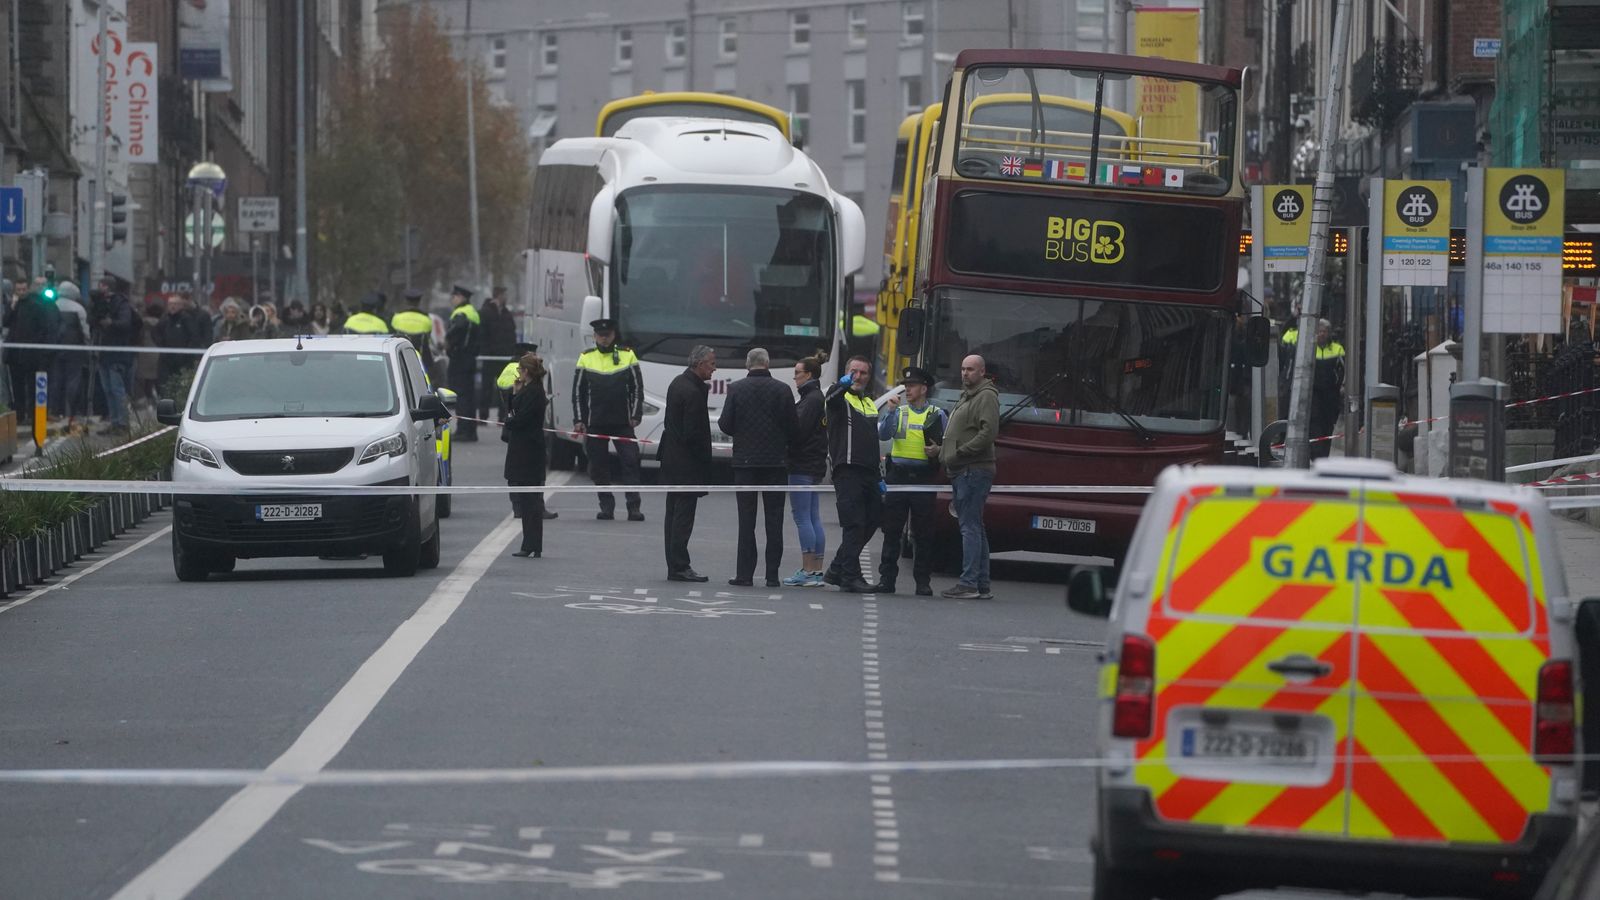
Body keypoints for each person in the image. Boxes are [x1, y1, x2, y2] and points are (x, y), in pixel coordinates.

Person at [718, 348, 798, 588]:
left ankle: (744, 574)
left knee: (747, 520)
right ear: (767, 363)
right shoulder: (783, 390)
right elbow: (793, 427)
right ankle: (772, 575)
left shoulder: (736, 389)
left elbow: (725, 424)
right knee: (774, 521)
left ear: (747, 364)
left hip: (745, 463)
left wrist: (743, 434)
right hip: (775, 463)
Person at [877, 366, 947, 596]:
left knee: (923, 533)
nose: (907, 389)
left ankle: (922, 581)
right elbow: (884, 435)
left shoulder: (937, 413)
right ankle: (887, 579)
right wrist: (889, 412)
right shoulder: (899, 411)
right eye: (906, 386)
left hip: (924, 479)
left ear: (924, 389)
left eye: (912, 386)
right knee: (892, 531)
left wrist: (938, 450)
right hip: (898, 476)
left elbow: (946, 445)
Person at [573, 317, 645, 521]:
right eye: (600, 336)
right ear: (594, 336)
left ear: (613, 335)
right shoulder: (586, 357)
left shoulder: (627, 355)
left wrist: (636, 414)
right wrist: (579, 419)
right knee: (598, 466)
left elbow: (637, 388)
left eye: (608, 336)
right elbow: (578, 392)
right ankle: (606, 506)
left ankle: (634, 507)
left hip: (622, 423)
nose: (604, 339)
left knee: (630, 462)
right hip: (596, 422)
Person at [822, 355, 883, 594]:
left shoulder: (868, 403)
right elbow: (831, 396)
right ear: (846, 373)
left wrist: (879, 477)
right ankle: (849, 577)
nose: (858, 377)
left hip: (868, 473)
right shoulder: (841, 398)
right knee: (854, 525)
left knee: (873, 520)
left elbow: (873, 442)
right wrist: (843, 383)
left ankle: (837, 568)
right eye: (853, 372)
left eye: (863, 373)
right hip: (847, 470)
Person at [940, 354, 999, 600]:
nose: (965, 374)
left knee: (970, 527)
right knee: (976, 526)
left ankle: (969, 583)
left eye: (971, 370)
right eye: (963, 369)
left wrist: (960, 453)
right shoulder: (968, 395)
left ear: (982, 372)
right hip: (965, 468)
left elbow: (988, 433)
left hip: (972, 469)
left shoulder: (985, 396)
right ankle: (981, 583)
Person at [659, 345, 716, 582]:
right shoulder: (693, 392)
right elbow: (693, 433)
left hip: (672, 460)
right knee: (683, 517)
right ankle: (680, 565)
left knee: (672, 515)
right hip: (686, 464)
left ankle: (674, 564)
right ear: (700, 364)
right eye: (712, 363)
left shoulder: (677, 383)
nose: (715, 368)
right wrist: (705, 461)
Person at [496, 341, 558, 521]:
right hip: (520, 428)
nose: (536, 357)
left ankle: (529, 507)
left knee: (526, 471)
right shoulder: (515, 370)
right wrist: (515, 401)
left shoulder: (530, 381)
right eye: (532, 354)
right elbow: (510, 396)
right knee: (519, 471)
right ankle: (522, 507)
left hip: (522, 428)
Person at [782, 352, 829, 587]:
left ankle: (808, 570)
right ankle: (816, 571)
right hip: (814, 464)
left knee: (802, 517)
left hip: (802, 464)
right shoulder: (817, 397)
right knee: (813, 517)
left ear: (809, 374)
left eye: (797, 374)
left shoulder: (809, 400)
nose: (795, 378)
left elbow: (797, 431)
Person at [503, 352, 549, 558]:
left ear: (527, 371)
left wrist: (511, 412)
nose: (518, 373)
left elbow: (516, 419)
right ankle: (530, 544)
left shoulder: (533, 393)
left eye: (520, 370)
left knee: (530, 502)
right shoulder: (530, 390)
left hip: (527, 452)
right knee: (528, 501)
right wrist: (515, 394)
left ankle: (531, 544)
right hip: (526, 450)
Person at [4, 284, 62, 424]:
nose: (21, 292)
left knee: (31, 386)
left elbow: (43, 328)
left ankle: (32, 415)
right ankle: (20, 415)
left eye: (24, 289)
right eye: (19, 289)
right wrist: (12, 307)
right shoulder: (14, 306)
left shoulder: (36, 306)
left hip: (31, 354)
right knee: (17, 386)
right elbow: (5, 322)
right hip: (15, 353)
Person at [94, 280, 140, 436]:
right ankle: (114, 422)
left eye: (103, 286)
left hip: (118, 353)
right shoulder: (102, 303)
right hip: (104, 353)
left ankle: (122, 423)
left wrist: (110, 323)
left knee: (117, 389)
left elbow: (125, 323)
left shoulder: (121, 304)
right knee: (108, 389)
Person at [50, 281, 92, 422]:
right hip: (75, 349)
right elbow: (86, 331)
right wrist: (88, 347)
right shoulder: (78, 309)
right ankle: (72, 412)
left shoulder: (52, 306)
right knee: (73, 380)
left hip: (55, 348)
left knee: (56, 379)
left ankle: (55, 410)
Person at [445, 285, 482, 441]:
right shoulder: (472, 311)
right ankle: (470, 430)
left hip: (460, 359)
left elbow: (458, 328)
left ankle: (463, 431)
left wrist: (448, 340)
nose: (452, 299)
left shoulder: (461, 313)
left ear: (461, 297)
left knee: (460, 396)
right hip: (469, 359)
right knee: (468, 396)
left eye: (454, 296)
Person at [1308, 318, 1346, 460]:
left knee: (1327, 426)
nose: (1321, 334)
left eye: (1324, 331)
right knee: (1315, 424)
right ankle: (1316, 454)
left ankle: (1324, 455)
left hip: (1331, 395)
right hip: (1315, 394)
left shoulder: (1337, 349)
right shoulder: (1310, 348)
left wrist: (1338, 384)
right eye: (1319, 331)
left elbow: (1342, 370)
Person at [154, 292, 212, 384]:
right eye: (170, 304)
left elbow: (194, 337)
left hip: (183, 360)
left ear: (181, 305)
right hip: (166, 359)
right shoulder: (164, 319)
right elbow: (156, 333)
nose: (172, 307)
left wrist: (187, 352)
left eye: (175, 304)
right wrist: (162, 346)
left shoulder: (187, 319)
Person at [479, 285, 517, 423]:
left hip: (504, 357)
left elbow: (511, 333)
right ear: (498, 296)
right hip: (490, 357)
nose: (506, 298)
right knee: (486, 387)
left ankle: (503, 414)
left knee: (504, 386)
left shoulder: (507, 313)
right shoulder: (486, 312)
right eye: (504, 295)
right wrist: (485, 351)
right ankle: (483, 415)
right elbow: (482, 334)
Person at [390, 289, 435, 370]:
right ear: (419, 302)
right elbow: (427, 341)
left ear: (406, 302)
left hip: (398, 360)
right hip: (419, 362)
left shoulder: (397, 317)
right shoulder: (426, 319)